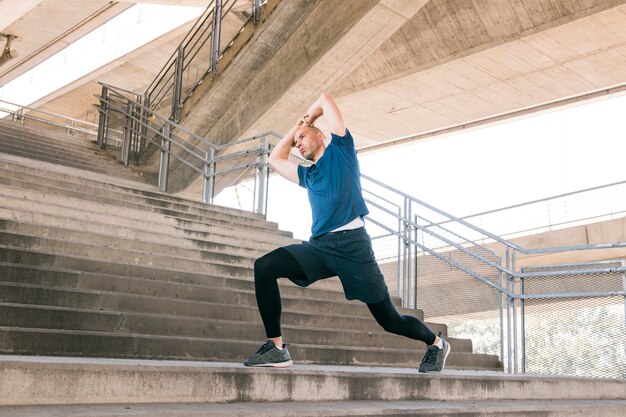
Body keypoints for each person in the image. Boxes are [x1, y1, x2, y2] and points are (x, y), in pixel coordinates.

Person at [243, 92, 450, 372]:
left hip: (353, 247)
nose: (298, 144)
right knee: (264, 266)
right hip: (320, 249)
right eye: (296, 142)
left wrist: (310, 118)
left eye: (303, 138)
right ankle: (277, 348)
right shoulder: (309, 175)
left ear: (321, 137)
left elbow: (326, 99)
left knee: (390, 320)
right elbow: (274, 160)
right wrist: (295, 128)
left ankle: (436, 344)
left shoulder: (342, 152)